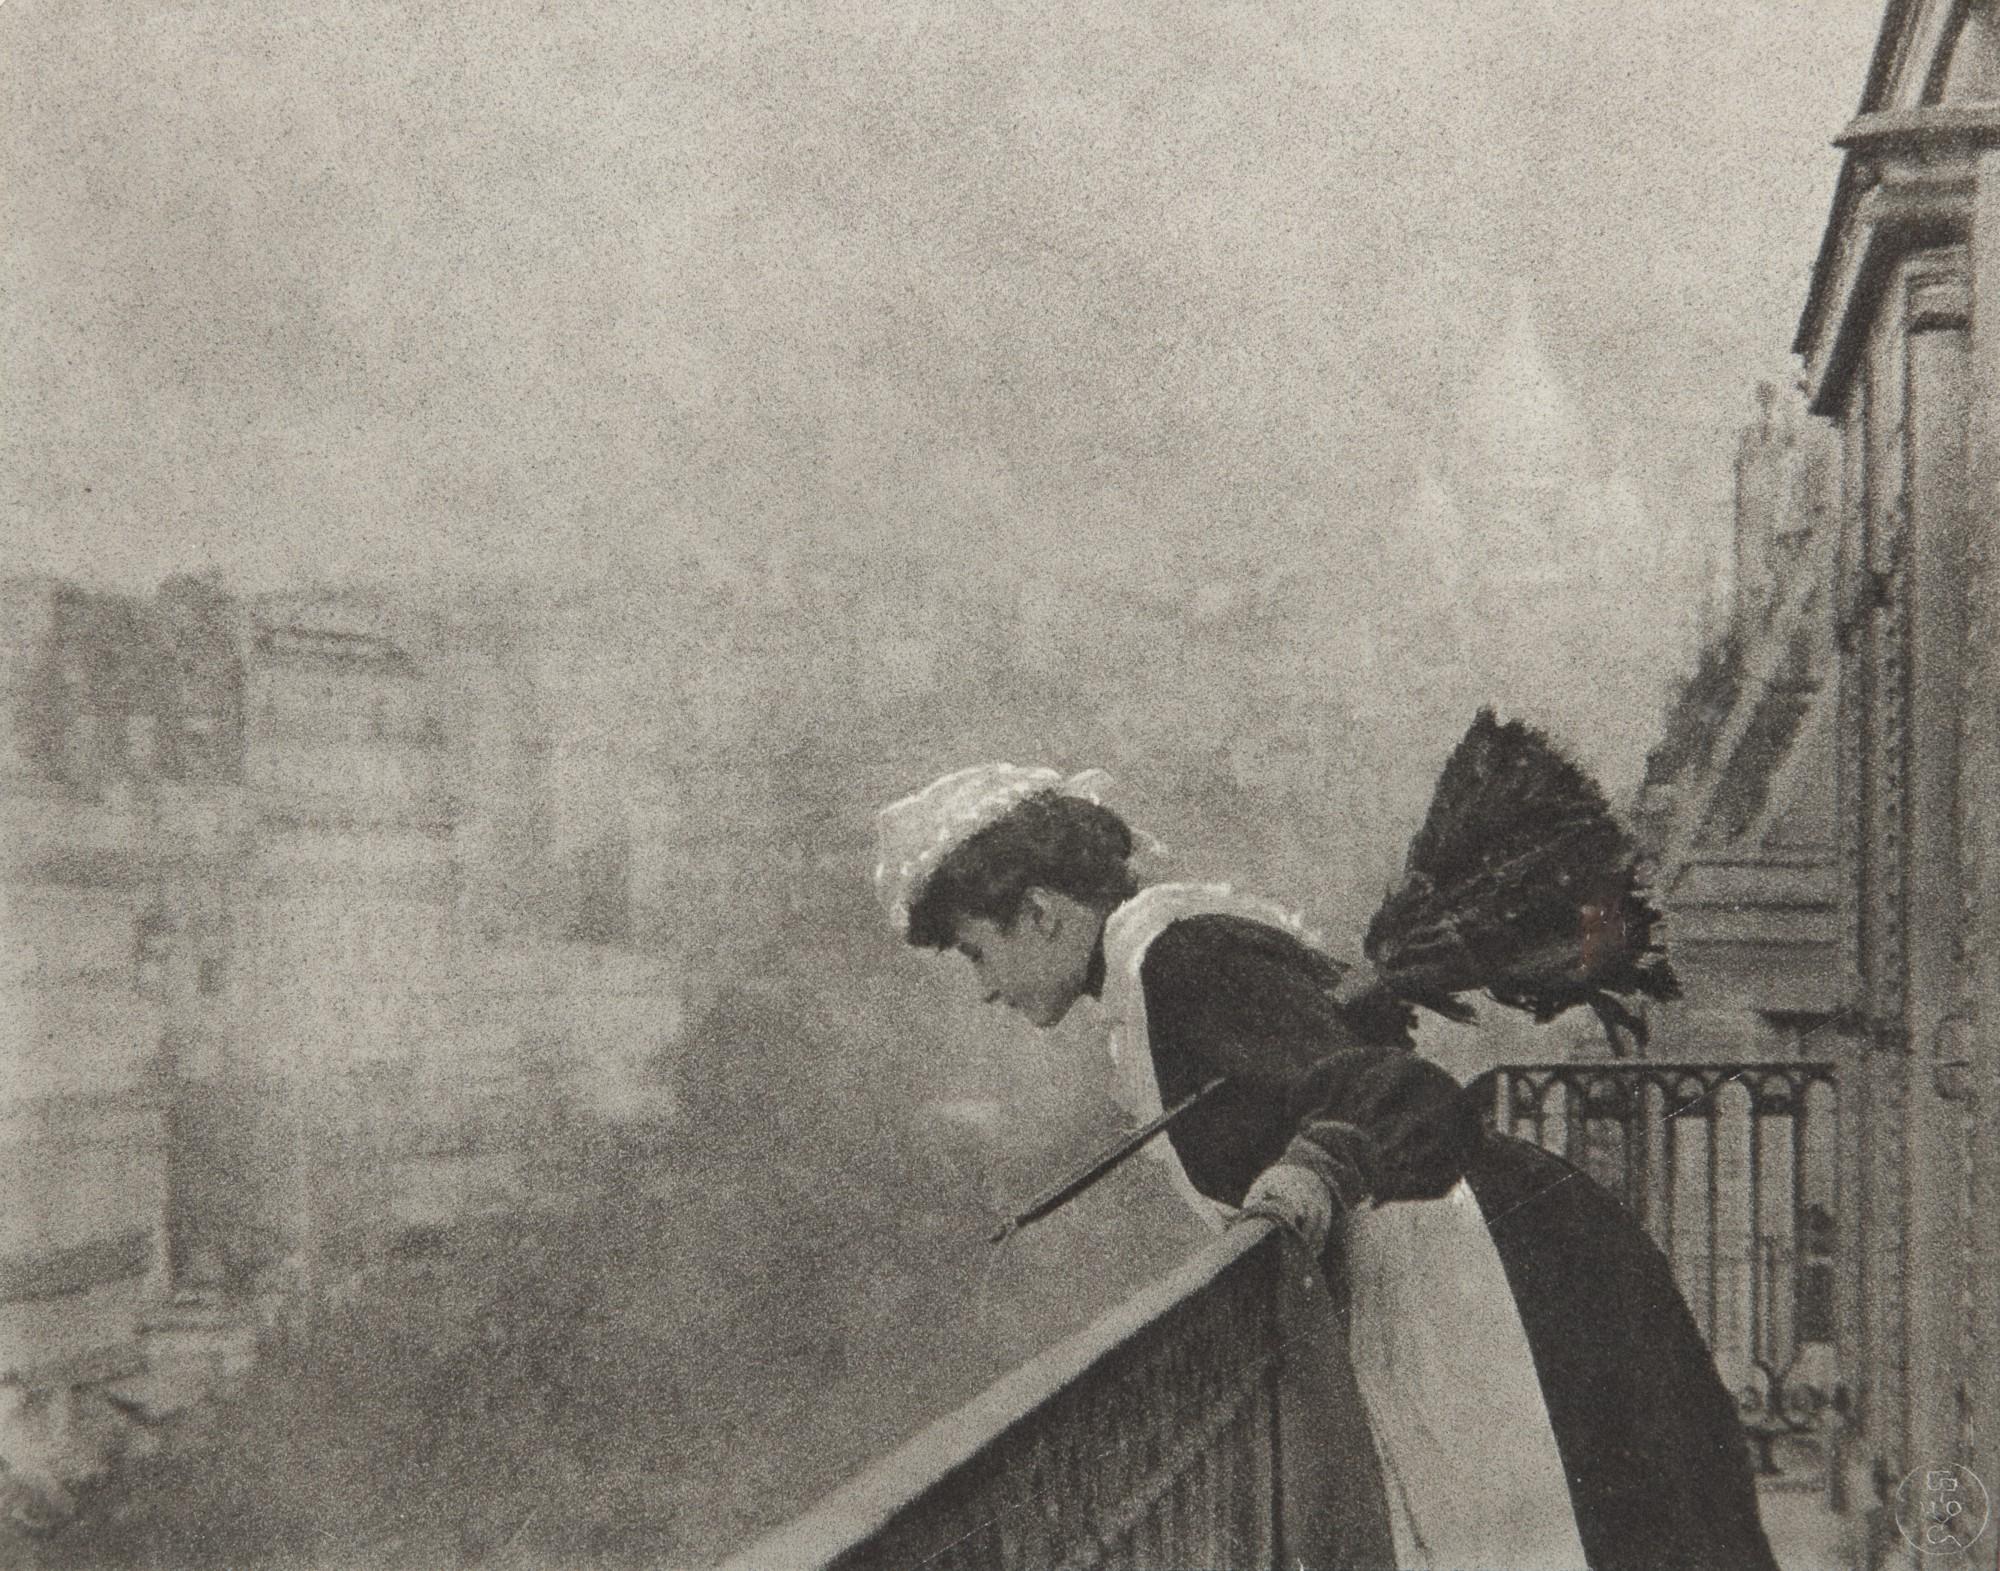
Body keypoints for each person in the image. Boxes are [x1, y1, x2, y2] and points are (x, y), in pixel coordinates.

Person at [873, 764, 1780, 1571]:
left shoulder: (1182, 957)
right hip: (1460, 1263)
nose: (985, 988)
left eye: (978, 953)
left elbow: (1396, 1088)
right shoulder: (1161, 961)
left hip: (1503, 1274)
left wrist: (1312, 1168)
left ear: (1040, 913)